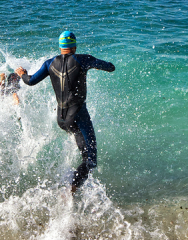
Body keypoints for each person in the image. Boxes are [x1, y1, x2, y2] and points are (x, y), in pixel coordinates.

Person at [16, 31, 115, 193]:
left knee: (81, 144)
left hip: (61, 119)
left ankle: (70, 182)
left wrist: (22, 74)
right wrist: (96, 63)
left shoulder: (49, 63)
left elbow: (31, 81)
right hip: (77, 116)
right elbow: (111, 68)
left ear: (61, 47)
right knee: (90, 160)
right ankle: (71, 189)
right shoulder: (84, 60)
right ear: (74, 46)